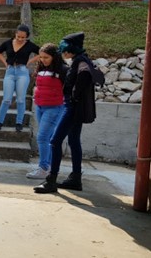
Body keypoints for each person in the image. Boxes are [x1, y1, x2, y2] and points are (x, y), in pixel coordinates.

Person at [34, 32, 96, 194]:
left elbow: (85, 74)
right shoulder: (80, 60)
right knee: (74, 141)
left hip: (71, 108)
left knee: (54, 141)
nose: (63, 52)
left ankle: (51, 181)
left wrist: (74, 96)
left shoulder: (80, 62)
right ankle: (75, 178)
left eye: (65, 49)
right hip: (73, 107)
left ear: (71, 49)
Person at [26, 43, 67, 179]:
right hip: (40, 106)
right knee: (47, 138)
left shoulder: (63, 69)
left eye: (46, 57)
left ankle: (44, 168)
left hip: (54, 107)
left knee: (43, 137)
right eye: (41, 57)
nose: (43, 60)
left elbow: (68, 89)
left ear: (54, 57)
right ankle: (49, 167)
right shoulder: (41, 67)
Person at [0, 24, 40, 132]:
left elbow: (41, 52)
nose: (20, 39)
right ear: (15, 34)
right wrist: (5, 63)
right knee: (6, 99)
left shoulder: (29, 45)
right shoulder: (8, 43)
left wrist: (29, 61)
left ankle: (19, 122)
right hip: (9, 72)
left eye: (23, 37)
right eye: (18, 36)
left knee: (20, 99)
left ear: (26, 37)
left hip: (22, 72)